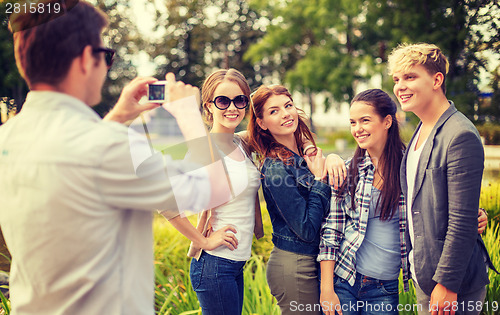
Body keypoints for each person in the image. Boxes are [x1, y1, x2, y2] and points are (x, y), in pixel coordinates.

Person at [0, 1, 233, 314]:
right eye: (106, 55)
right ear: (86, 59)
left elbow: (79, 158)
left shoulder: (8, 139)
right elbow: (211, 189)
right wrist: (187, 113)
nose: (107, 66)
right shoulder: (106, 148)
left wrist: (119, 117)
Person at [388, 43, 496, 315]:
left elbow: (462, 219)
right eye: (396, 79)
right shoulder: (421, 130)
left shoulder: (460, 134)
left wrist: (446, 283)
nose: (400, 86)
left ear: (437, 80)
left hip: (452, 284)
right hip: (425, 274)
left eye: (410, 77)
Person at [164, 68, 264, 315]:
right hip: (215, 265)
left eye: (240, 100)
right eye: (223, 101)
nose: (233, 108)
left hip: (235, 263)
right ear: (208, 106)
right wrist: (204, 241)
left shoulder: (240, 142)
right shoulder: (201, 150)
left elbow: (284, 131)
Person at [319, 89, 409, 315]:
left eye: (365, 120)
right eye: (352, 122)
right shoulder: (349, 169)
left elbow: (435, 206)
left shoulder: (411, 168)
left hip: (384, 287)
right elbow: (332, 229)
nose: (357, 129)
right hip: (344, 281)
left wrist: (474, 214)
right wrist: (326, 289)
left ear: (387, 121)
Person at [246, 84, 331, 315]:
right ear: (262, 123)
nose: (285, 114)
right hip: (295, 267)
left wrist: (330, 159)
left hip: (314, 261)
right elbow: (306, 229)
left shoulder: (303, 156)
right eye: (274, 111)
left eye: (288, 105)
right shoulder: (275, 169)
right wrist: (320, 180)